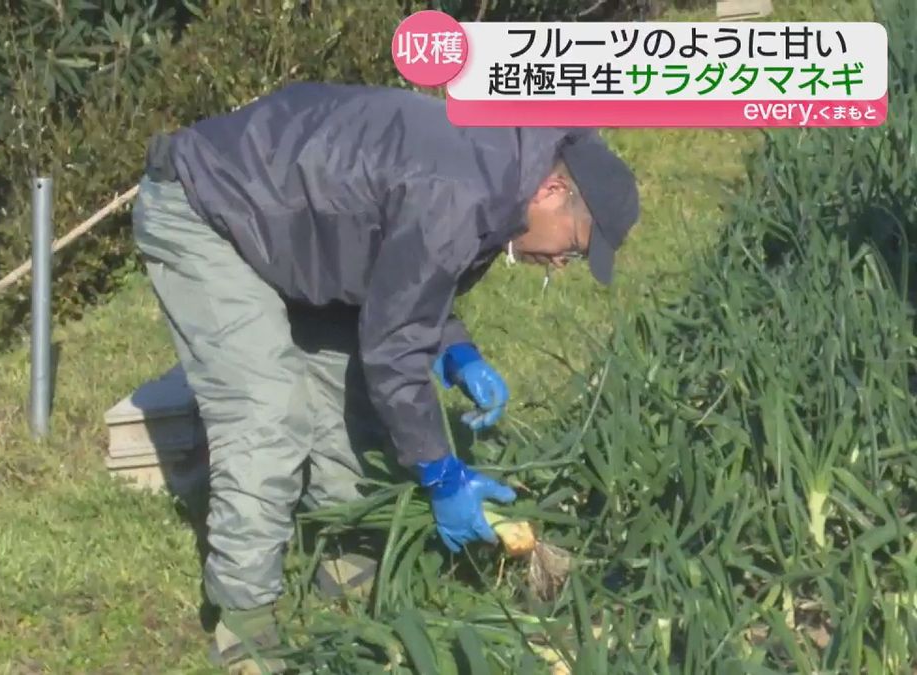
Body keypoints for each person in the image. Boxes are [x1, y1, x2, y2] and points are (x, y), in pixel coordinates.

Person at [130, 81, 639, 673]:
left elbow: (412, 272)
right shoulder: (465, 189)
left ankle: (346, 565)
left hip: (297, 234)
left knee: (349, 399)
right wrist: (442, 475)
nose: (560, 264)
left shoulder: (499, 175)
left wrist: (456, 350)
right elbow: (396, 344)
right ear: (552, 191)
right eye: (573, 249)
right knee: (266, 413)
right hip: (208, 210)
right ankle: (246, 623)